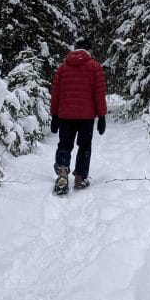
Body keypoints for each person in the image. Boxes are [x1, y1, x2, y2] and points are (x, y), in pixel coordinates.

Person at [50, 37, 107, 194]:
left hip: (65, 116)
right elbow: (99, 93)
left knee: (64, 145)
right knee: (84, 146)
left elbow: (55, 94)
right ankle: (80, 178)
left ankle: (62, 173)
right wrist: (101, 116)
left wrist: (54, 115)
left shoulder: (62, 68)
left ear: (75, 49)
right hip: (86, 117)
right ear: (89, 50)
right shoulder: (95, 67)